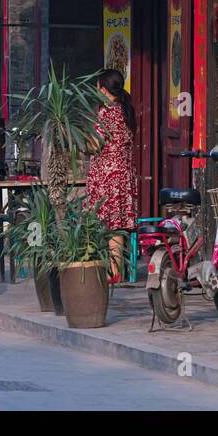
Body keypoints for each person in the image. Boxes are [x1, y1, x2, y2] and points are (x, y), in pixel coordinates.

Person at [84, 69, 138, 280]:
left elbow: (95, 144)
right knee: (117, 225)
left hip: (106, 175)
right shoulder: (126, 111)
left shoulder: (106, 113)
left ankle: (108, 270)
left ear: (104, 90)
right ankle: (116, 271)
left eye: (98, 87)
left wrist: (76, 139)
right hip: (123, 175)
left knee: (104, 224)